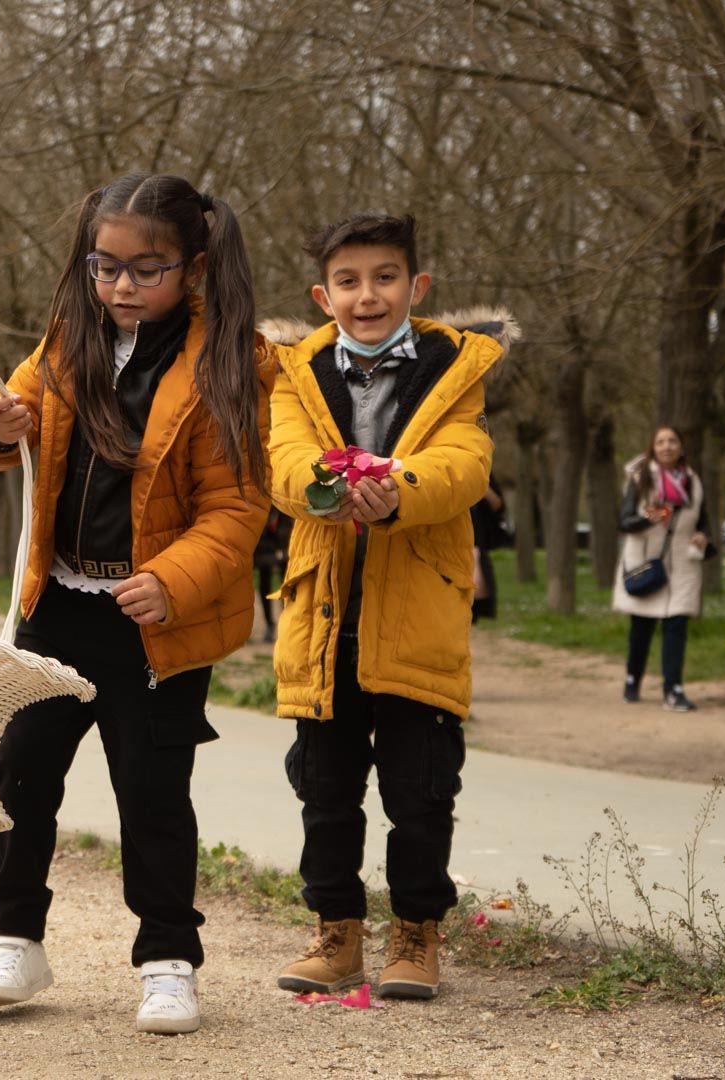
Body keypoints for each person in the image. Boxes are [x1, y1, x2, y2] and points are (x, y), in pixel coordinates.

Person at [0, 172, 274, 1034]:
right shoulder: (65, 340)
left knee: (152, 790)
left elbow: (239, 506)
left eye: (146, 269)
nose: (121, 287)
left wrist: (171, 578)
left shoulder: (231, 365)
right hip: (54, 606)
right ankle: (14, 939)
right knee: (18, 776)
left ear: (195, 266)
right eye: (105, 267)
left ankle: (169, 959)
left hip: (156, 623)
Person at [266, 213, 508, 1001]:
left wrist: (395, 492)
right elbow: (283, 459)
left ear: (416, 286)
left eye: (384, 277)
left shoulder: (455, 371)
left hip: (418, 615)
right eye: (348, 281)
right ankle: (337, 934)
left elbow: (464, 464)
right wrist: (325, 488)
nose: (367, 295)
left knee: (421, 790)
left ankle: (416, 934)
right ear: (323, 294)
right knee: (325, 788)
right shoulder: (294, 372)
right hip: (325, 613)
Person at [612, 425, 710, 712]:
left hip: (682, 564)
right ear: (652, 448)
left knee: (676, 624)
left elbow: (704, 519)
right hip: (646, 561)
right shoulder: (641, 478)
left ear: (681, 447)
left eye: (673, 441)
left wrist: (704, 535)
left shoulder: (693, 481)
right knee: (641, 627)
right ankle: (633, 679)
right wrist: (652, 516)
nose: (667, 446)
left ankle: (673, 689)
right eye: (661, 442)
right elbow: (624, 522)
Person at [469, 474, 508, 623]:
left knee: (478, 586)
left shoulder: (486, 474)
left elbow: (498, 505)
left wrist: (482, 486)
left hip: (477, 540)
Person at [253, 508, 295, 642]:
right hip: (264, 546)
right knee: (265, 583)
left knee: (286, 585)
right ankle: (269, 623)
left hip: (283, 545)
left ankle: (287, 622)